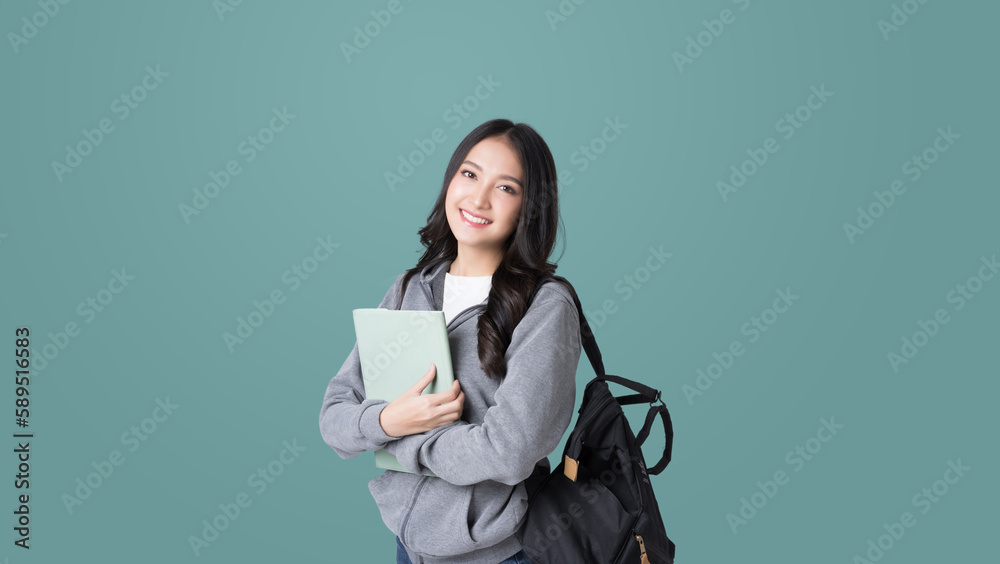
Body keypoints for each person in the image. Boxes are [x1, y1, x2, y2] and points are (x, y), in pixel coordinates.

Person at [319, 118, 583, 564]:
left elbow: (508, 454)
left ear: (528, 208)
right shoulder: (410, 288)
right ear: (450, 180)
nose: (478, 198)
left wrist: (400, 437)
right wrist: (387, 420)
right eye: (470, 173)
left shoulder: (545, 306)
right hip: (409, 546)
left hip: (499, 554)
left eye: (506, 188)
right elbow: (334, 418)